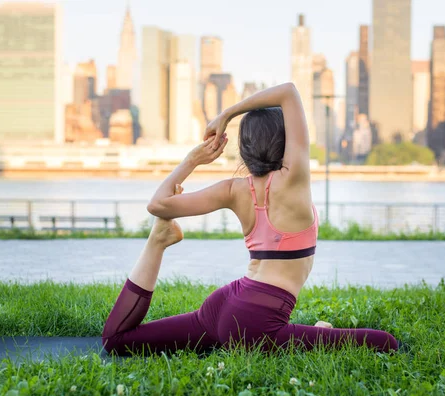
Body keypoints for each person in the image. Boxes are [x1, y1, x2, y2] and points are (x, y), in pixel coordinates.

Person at [102, 83, 398, 355]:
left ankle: (157, 241)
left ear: (243, 148)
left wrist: (192, 160)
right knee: (385, 343)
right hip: (255, 322)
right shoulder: (293, 179)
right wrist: (228, 113)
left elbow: (158, 204)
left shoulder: (234, 190)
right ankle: (318, 336)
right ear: (285, 140)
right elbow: (289, 92)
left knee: (117, 341)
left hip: (224, 305)